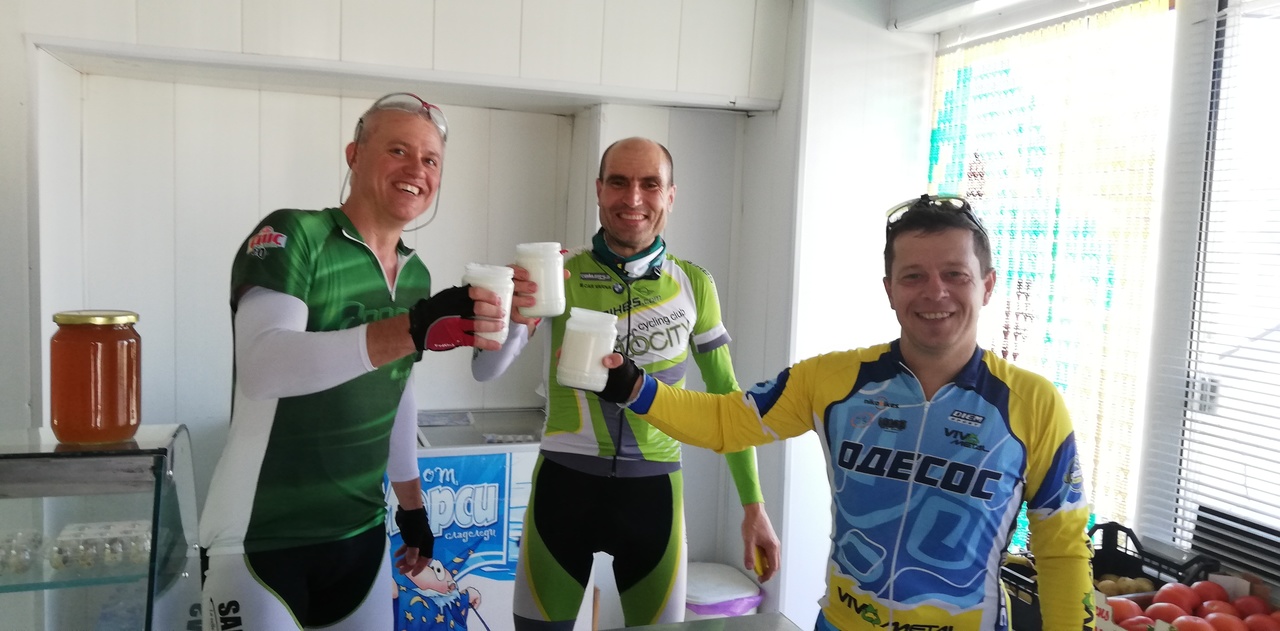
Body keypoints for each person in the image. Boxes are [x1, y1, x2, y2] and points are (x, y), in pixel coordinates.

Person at [591, 194, 1096, 630]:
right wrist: (634, 386)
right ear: (890, 289)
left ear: (987, 285)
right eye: (914, 276)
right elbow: (727, 422)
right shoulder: (834, 380)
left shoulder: (1033, 403)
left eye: (955, 275)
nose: (935, 292)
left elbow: (1062, 550)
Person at [198, 93, 512, 631]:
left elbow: (396, 391)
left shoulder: (414, 275)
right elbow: (263, 366)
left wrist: (412, 507)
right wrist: (412, 328)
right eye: (398, 150)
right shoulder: (295, 235)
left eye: (431, 160)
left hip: (361, 535)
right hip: (260, 535)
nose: (416, 169)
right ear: (354, 155)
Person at [471, 137, 782, 629]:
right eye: (618, 182)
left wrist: (754, 506)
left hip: (654, 495)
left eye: (650, 184)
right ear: (599, 190)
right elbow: (486, 371)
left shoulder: (694, 284)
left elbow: (729, 400)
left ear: (671, 195)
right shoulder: (560, 271)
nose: (633, 198)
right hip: (564, 488)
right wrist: (508, 317)